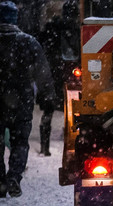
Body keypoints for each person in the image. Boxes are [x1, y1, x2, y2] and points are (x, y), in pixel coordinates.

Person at [0, 1, 56, 198]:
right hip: (21, 102)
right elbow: (42, 74)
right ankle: (14, 177)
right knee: (20, 142)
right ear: (15, 19)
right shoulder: (28, 42)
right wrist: (48, 98)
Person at [38, 0, 80, 156]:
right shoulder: (75, 29)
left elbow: (40, 44)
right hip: (69, 75)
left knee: (48, 113)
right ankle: (74, 144)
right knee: (74, 111)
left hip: (50, 75)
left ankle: (45, 147)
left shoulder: (52, 28)